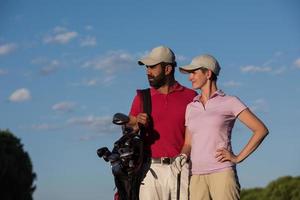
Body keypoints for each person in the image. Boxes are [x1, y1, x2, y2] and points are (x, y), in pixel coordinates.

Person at [179, 54, 269, 200]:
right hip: (195, 175)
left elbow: (261, 130)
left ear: (208, 73)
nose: (190, 77)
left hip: (222, 173)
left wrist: (238, 158)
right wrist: (182, 157)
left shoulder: (230, 102)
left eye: (194, 72)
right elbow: (188, 143)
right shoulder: (191, 107)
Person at [128, 46, 197, 200]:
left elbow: (195, 136)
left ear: (167, 69)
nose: (148, 71)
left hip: (181, 169)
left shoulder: (191, 97)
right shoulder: (142, 97)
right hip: (149, 171)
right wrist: (135, 124)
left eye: (152, 67)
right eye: (147, 67)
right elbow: (128, 130)